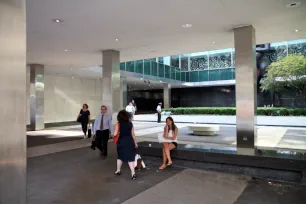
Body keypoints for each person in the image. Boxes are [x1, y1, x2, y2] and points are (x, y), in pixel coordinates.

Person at [114, 110, 138, 180]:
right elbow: (133, 134)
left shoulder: (118, 124)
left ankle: (118, 170)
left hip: (121, 142)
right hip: (130, 142)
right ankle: (133, 173)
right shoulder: (130, 124)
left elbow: (115, 134)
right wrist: (135, 143)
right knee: (130, 158)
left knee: (120, 156)